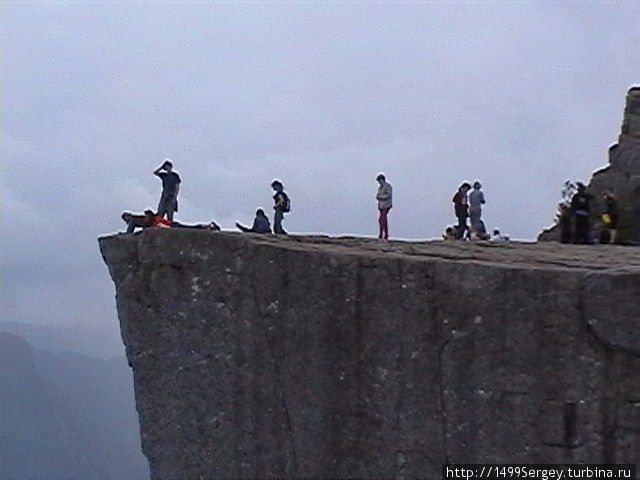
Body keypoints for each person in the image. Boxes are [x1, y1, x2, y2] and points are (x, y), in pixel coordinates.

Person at [376, 173, 393, 240]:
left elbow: (389, 195)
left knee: (382, 219)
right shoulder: (380, 188)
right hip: (381, 206)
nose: (379, 183)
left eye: (380, 181)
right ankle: (385, 234)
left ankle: (382, 234)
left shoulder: (388, 186)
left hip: (386, 205)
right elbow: (377, 196)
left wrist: (381, 197)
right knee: (382, 220)